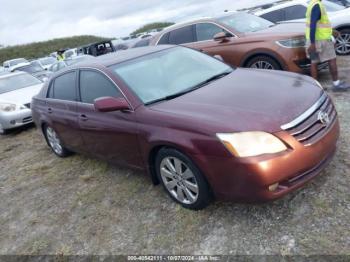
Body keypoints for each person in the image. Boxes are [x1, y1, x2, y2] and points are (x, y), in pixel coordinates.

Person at [306, 0, 350, 91]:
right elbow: (313, 24)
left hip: (314, 40)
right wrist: (313, 44)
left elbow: (318, 24)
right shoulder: (317, 5)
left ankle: (315, 87)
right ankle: (336, 84)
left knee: (314, 62)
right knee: (332, 60)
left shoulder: (311, 4)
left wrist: (312, 42)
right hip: (322, 41)